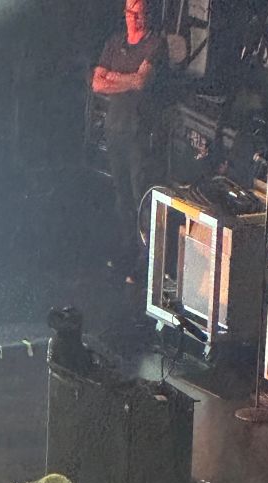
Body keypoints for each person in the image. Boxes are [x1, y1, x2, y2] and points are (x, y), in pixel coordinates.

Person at [91, 0, 167, 282]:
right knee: (121, 193)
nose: (134, 18)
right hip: (115, 128)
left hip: (139, 132)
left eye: (139, 13)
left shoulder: (155, 45)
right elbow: (97, 83)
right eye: (130, 13)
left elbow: (141, 82)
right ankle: (127, 249)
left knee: (140, 196)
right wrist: (126, 78)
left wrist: (115, 77)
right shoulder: (114, 42)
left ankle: (145, 260)